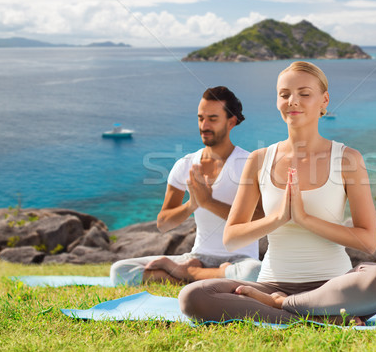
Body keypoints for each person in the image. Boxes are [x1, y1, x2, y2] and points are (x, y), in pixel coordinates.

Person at [178, 62, 376, 325]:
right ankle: (322, 318)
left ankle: (283, 308)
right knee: (193, 296)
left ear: (324, 101)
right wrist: (279, 218)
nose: (293, 101)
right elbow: (232, 238)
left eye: (304, 93)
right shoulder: (260, 160)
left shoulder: (347, 159)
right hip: (271, 284)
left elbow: (368, 241)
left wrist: (305, 219)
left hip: (333, 286)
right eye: (284, 94)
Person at [110, 86, 262, 286]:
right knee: (120, 271)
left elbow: (260, 219)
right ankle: (200, 274)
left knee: (254, 273)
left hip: (240, 261)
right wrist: (192, 205)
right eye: (201, 118)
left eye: (213, 119)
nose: (204, 125)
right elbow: (164, 223)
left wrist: (209, 202)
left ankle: (187, 275)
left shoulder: (249, 163)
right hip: (197, 256)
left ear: (231, 122)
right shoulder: (185, 164)